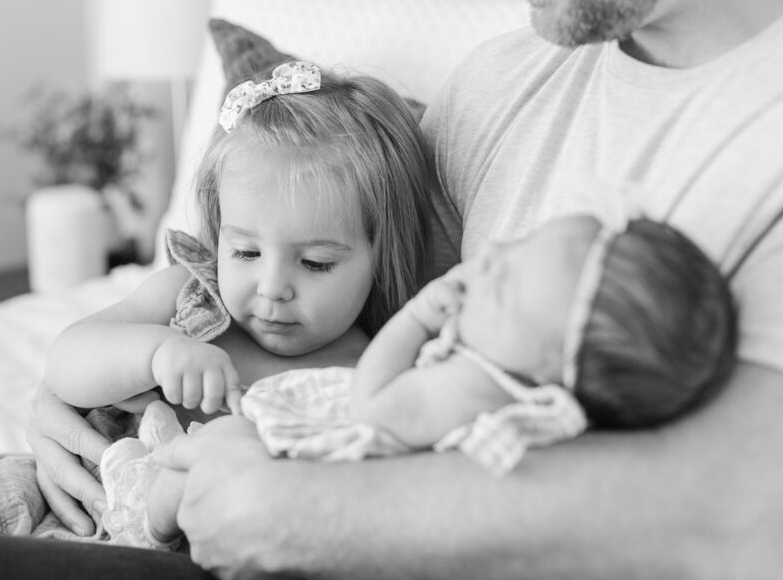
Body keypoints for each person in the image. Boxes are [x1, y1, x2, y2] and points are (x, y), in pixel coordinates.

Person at [0, 0, 783, 577]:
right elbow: (349, 304)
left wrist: (292, 507)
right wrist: (76, 387)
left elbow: (741, 503)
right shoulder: (506, 82)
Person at [0, 59, 435, 574]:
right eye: (247, 250)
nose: (272, 287)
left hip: (158, 554)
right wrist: (155, 355)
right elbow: (68, 360)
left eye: (316, 262)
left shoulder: (366, 369)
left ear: (383, 254)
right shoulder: (191, 298)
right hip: (52, 496)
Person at [99, 206, 736, 550]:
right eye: (518, 245)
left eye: (506, 281)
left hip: (305, 456)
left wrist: (417, 317)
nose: (490, 259)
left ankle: (142, 510)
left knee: (198, 460)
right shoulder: (522, 383)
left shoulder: (475, 387)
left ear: (548, 364)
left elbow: (377, 402)